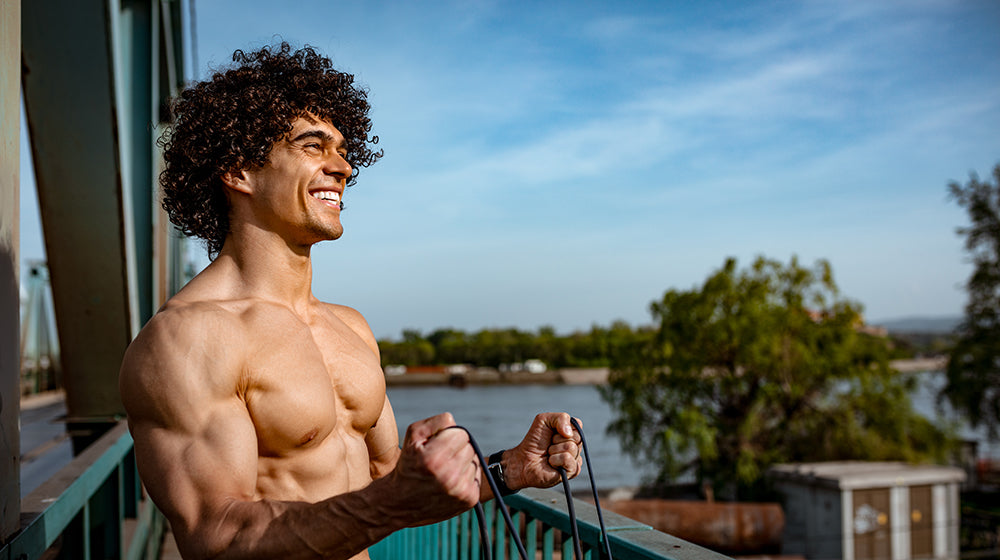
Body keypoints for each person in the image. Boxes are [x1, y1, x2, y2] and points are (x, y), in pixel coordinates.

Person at [118, 43, 583, 560]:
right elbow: (216, 534)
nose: (341, 166)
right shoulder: (188, 338)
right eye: (313, 146)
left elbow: (388, 482)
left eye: (342, 150)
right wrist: (384, 506)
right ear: (238, 171)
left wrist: (511, 468)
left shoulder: (350, 328)